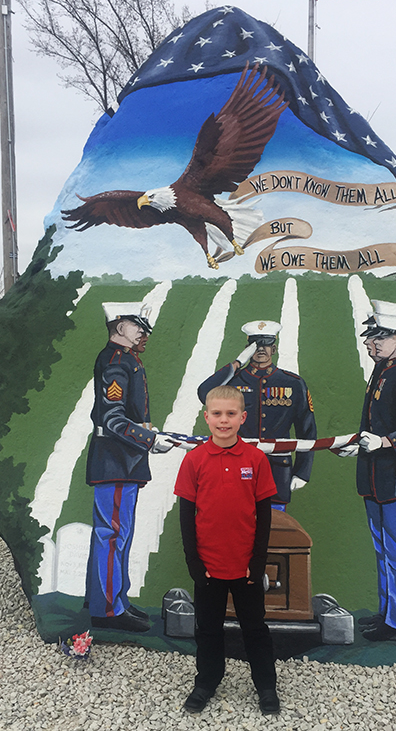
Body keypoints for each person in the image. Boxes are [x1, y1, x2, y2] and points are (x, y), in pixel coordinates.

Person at [174, 385, 280, 715]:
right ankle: (206, 681)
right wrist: (193, 560)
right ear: (206, 418)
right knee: (207, 628)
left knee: (255, 628)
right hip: (208, 566)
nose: (224, 420)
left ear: (242, 418)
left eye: (231, 414)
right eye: (217, 414)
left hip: (246, 566)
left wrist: (258, 559)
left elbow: (263, 513)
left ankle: (266, 686)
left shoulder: (256, 459)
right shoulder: (194, 461)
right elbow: (186, 514)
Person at [338, 300, 396, 642]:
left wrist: (383, 443)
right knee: (385, 551)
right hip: (380, 479)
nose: (369, 342)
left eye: (378, 336)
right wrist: (359, 444)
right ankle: (388, 615)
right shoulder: (384, 371)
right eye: (371, 336)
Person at [85, 302, 175, 633]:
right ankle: (107, 609)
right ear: (120, 325)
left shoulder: (125, 360)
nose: (144, 332)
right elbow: (112, 418)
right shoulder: (115, 362)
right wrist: (149, 440)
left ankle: (112, 599)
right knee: (113, 535)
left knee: (117, 534)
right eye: (138, 325)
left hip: (122, 459)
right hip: (115, 459)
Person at [197, 320, 316, 509]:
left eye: (266, 344)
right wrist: (237, 363)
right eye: (256, 345)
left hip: (277, 468)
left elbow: (307, 428)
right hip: (238, 465)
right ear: (248, 348)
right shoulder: (234, 381)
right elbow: (205, 393)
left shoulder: (293, 383)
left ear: (274, 348)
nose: (261, 349)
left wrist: (303, 471)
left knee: (274, 529)